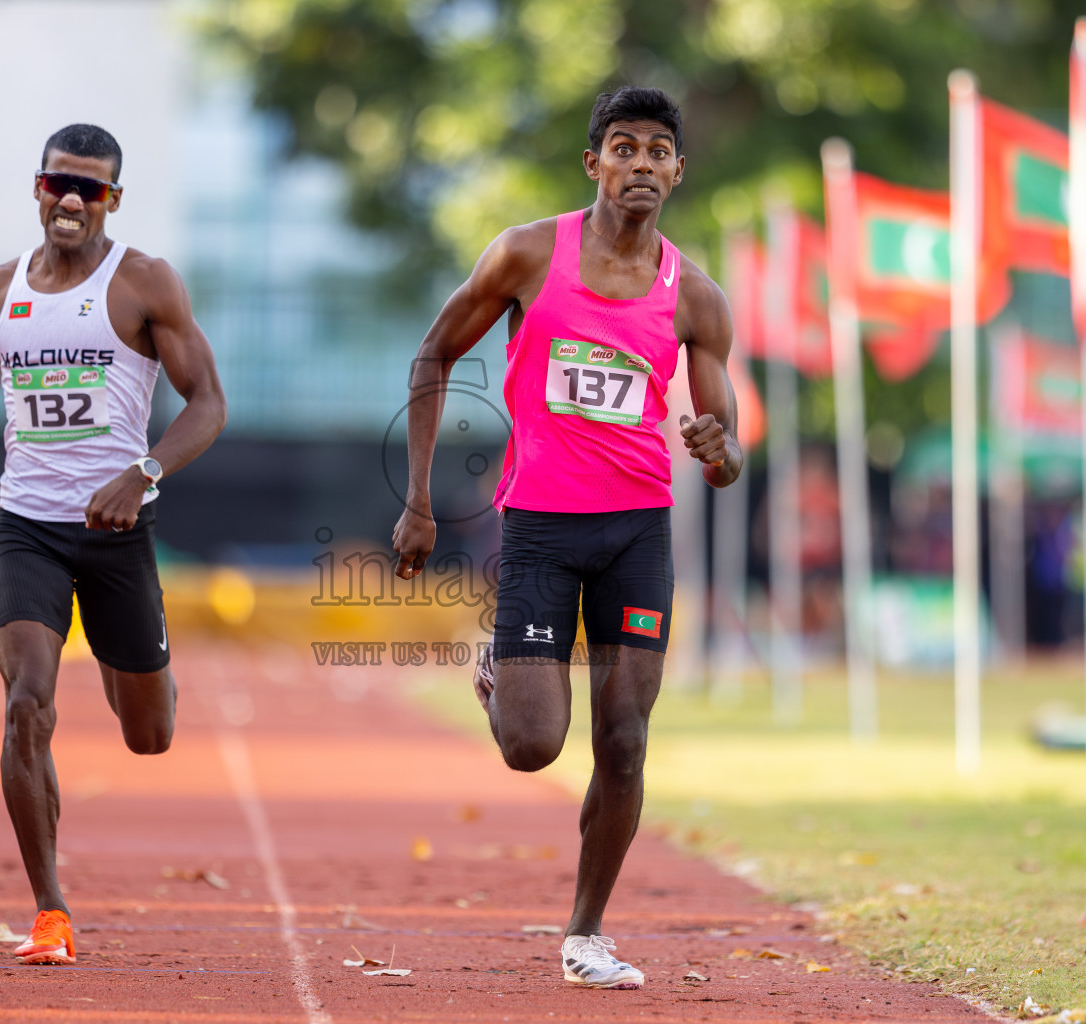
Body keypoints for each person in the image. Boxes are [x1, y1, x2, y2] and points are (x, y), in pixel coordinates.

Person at [391, 87, 742, 990]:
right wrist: (420, 501)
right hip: (541, 526)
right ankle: (497, 672)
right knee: (531, 748)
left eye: (659, 152)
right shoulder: (526, 254)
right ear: (595, 164)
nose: (641, 166)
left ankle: (586, 934)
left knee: (623, 738)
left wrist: (719, 445)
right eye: (623, 149)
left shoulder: (695, 295)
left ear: (676, 171)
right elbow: (434, 354)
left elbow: (724, 442)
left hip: (637, 531)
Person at [0, 124, 226, 965]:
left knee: (149, 734)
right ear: (37, 188)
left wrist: (141, 474)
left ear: (113, 199)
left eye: (91, 189)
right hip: (28, 530)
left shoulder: (143, 283)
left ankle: (137, 660)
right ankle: (51, 911)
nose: (71, 200)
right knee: (25, 702)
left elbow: (208, 404)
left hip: (116, 533)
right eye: (57, 184)